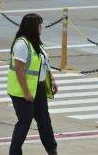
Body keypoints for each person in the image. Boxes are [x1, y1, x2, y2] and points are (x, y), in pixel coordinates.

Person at [7, 13, 58, 155]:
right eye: (40, 25)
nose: (42, 27)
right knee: (25, 121)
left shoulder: (36, 43)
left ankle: (52, 151)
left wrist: (52, 79)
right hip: (23, 91)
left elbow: (44, 63)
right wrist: (27, 92)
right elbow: (19, 70)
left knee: (44, 121)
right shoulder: (21, 44)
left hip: (39, 88)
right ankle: (15, 152)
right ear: (33, 27)